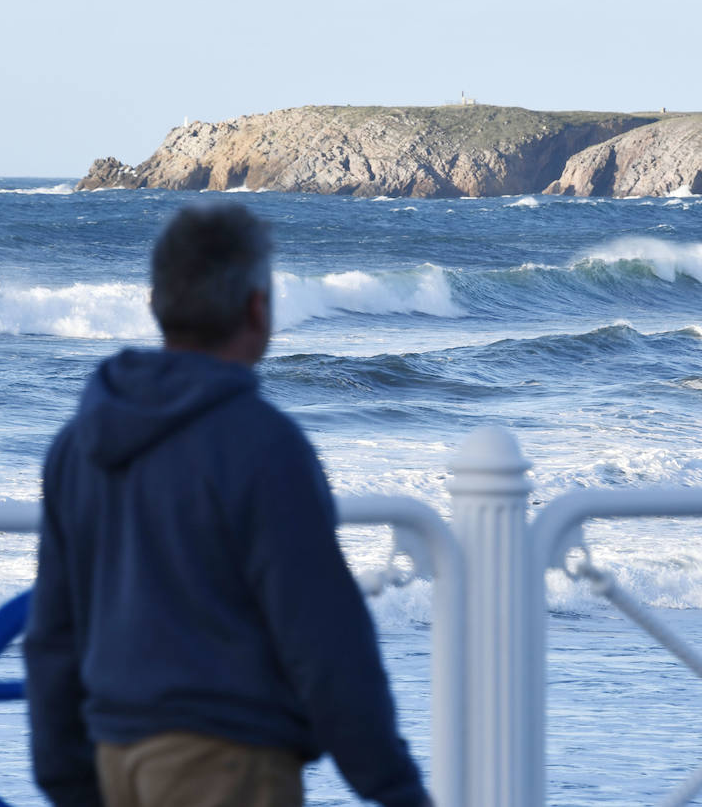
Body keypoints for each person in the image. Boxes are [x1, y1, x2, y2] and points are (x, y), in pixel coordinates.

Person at [24, 202, 429, 807]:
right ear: (257, 308)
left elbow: (53, 634)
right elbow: (324, 642)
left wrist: (66, 778)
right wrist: (394, 787)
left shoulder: (78, 444)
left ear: (157, 303)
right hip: (228, 762)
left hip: (113, 760)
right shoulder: (263, 446)